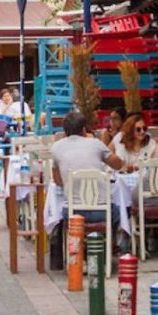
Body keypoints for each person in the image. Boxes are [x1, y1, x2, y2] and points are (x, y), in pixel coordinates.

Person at [48, 111, 125, 269]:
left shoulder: (56, 147)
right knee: (118, 212)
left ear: (65, 131)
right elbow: (117, 164)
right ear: (84, 129)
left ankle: (78, 258)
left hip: (74, 213)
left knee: (63, 214)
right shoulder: (96, 144)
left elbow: (57, 181)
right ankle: (107, 249)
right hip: (102, 212)